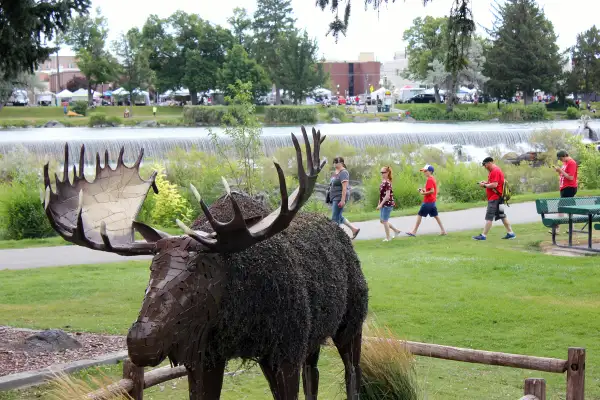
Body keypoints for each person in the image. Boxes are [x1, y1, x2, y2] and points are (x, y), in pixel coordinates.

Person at [472, 157, 516, 241]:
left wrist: (484, 185)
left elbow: (495, 185)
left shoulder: (495, 171)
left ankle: (483, 235)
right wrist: (486, 183)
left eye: (485, 165)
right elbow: (495, 183)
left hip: (494, 199)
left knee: (489, 217)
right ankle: (511, 233)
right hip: (500, 198)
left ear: (489, 163)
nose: (485, 167)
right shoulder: (496, 170)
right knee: (502, 215)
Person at [406, 164, 446, 237]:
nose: (424, 172)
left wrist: (423, 193)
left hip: (428, 201)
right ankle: (443, 231)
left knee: (419, 215)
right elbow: (430, 189)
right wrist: (423, 190)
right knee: (436, 216)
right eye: (423, 171)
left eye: (425, 171)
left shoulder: (429, 179)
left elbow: (432, 191)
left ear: (430, 171)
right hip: (432, 202)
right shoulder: (432, 178)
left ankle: (414, 232)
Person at [330, 157, 360, 239]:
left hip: (340, 197)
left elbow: (344, 188)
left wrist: (342, 200)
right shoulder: (335, 173)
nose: (335, 164)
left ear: (342, 163)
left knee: (334, 219)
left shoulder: (343, 172)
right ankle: (354, 230)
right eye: (334, 162)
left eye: (337, 162)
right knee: (339, 216)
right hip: (334, 197)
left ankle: (336, 238)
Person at [552, 150, 578, 234]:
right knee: (568, 208)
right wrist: (559, 171)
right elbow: (564, 175)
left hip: (569, 188)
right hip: (564, 188)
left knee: (561, 208)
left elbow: (570, 177)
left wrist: (561, 171)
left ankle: (556, 228)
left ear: (564, 156)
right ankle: (572, 228)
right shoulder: (565, 163)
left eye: (560, 158)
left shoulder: (571, 163)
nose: (560, 160)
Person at [376, 166, 401, 241]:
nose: (382, 174)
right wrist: (379, 203)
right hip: (383, 204)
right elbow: (381, 195)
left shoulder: (387, 183)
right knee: (382, 221)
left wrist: (381, 204)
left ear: (388, 173)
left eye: (383, 172)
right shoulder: (383, 182)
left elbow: (387, 196)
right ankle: (396, 231)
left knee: (385, 221)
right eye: (381, 172)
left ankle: (388, 237)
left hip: (388, 204)